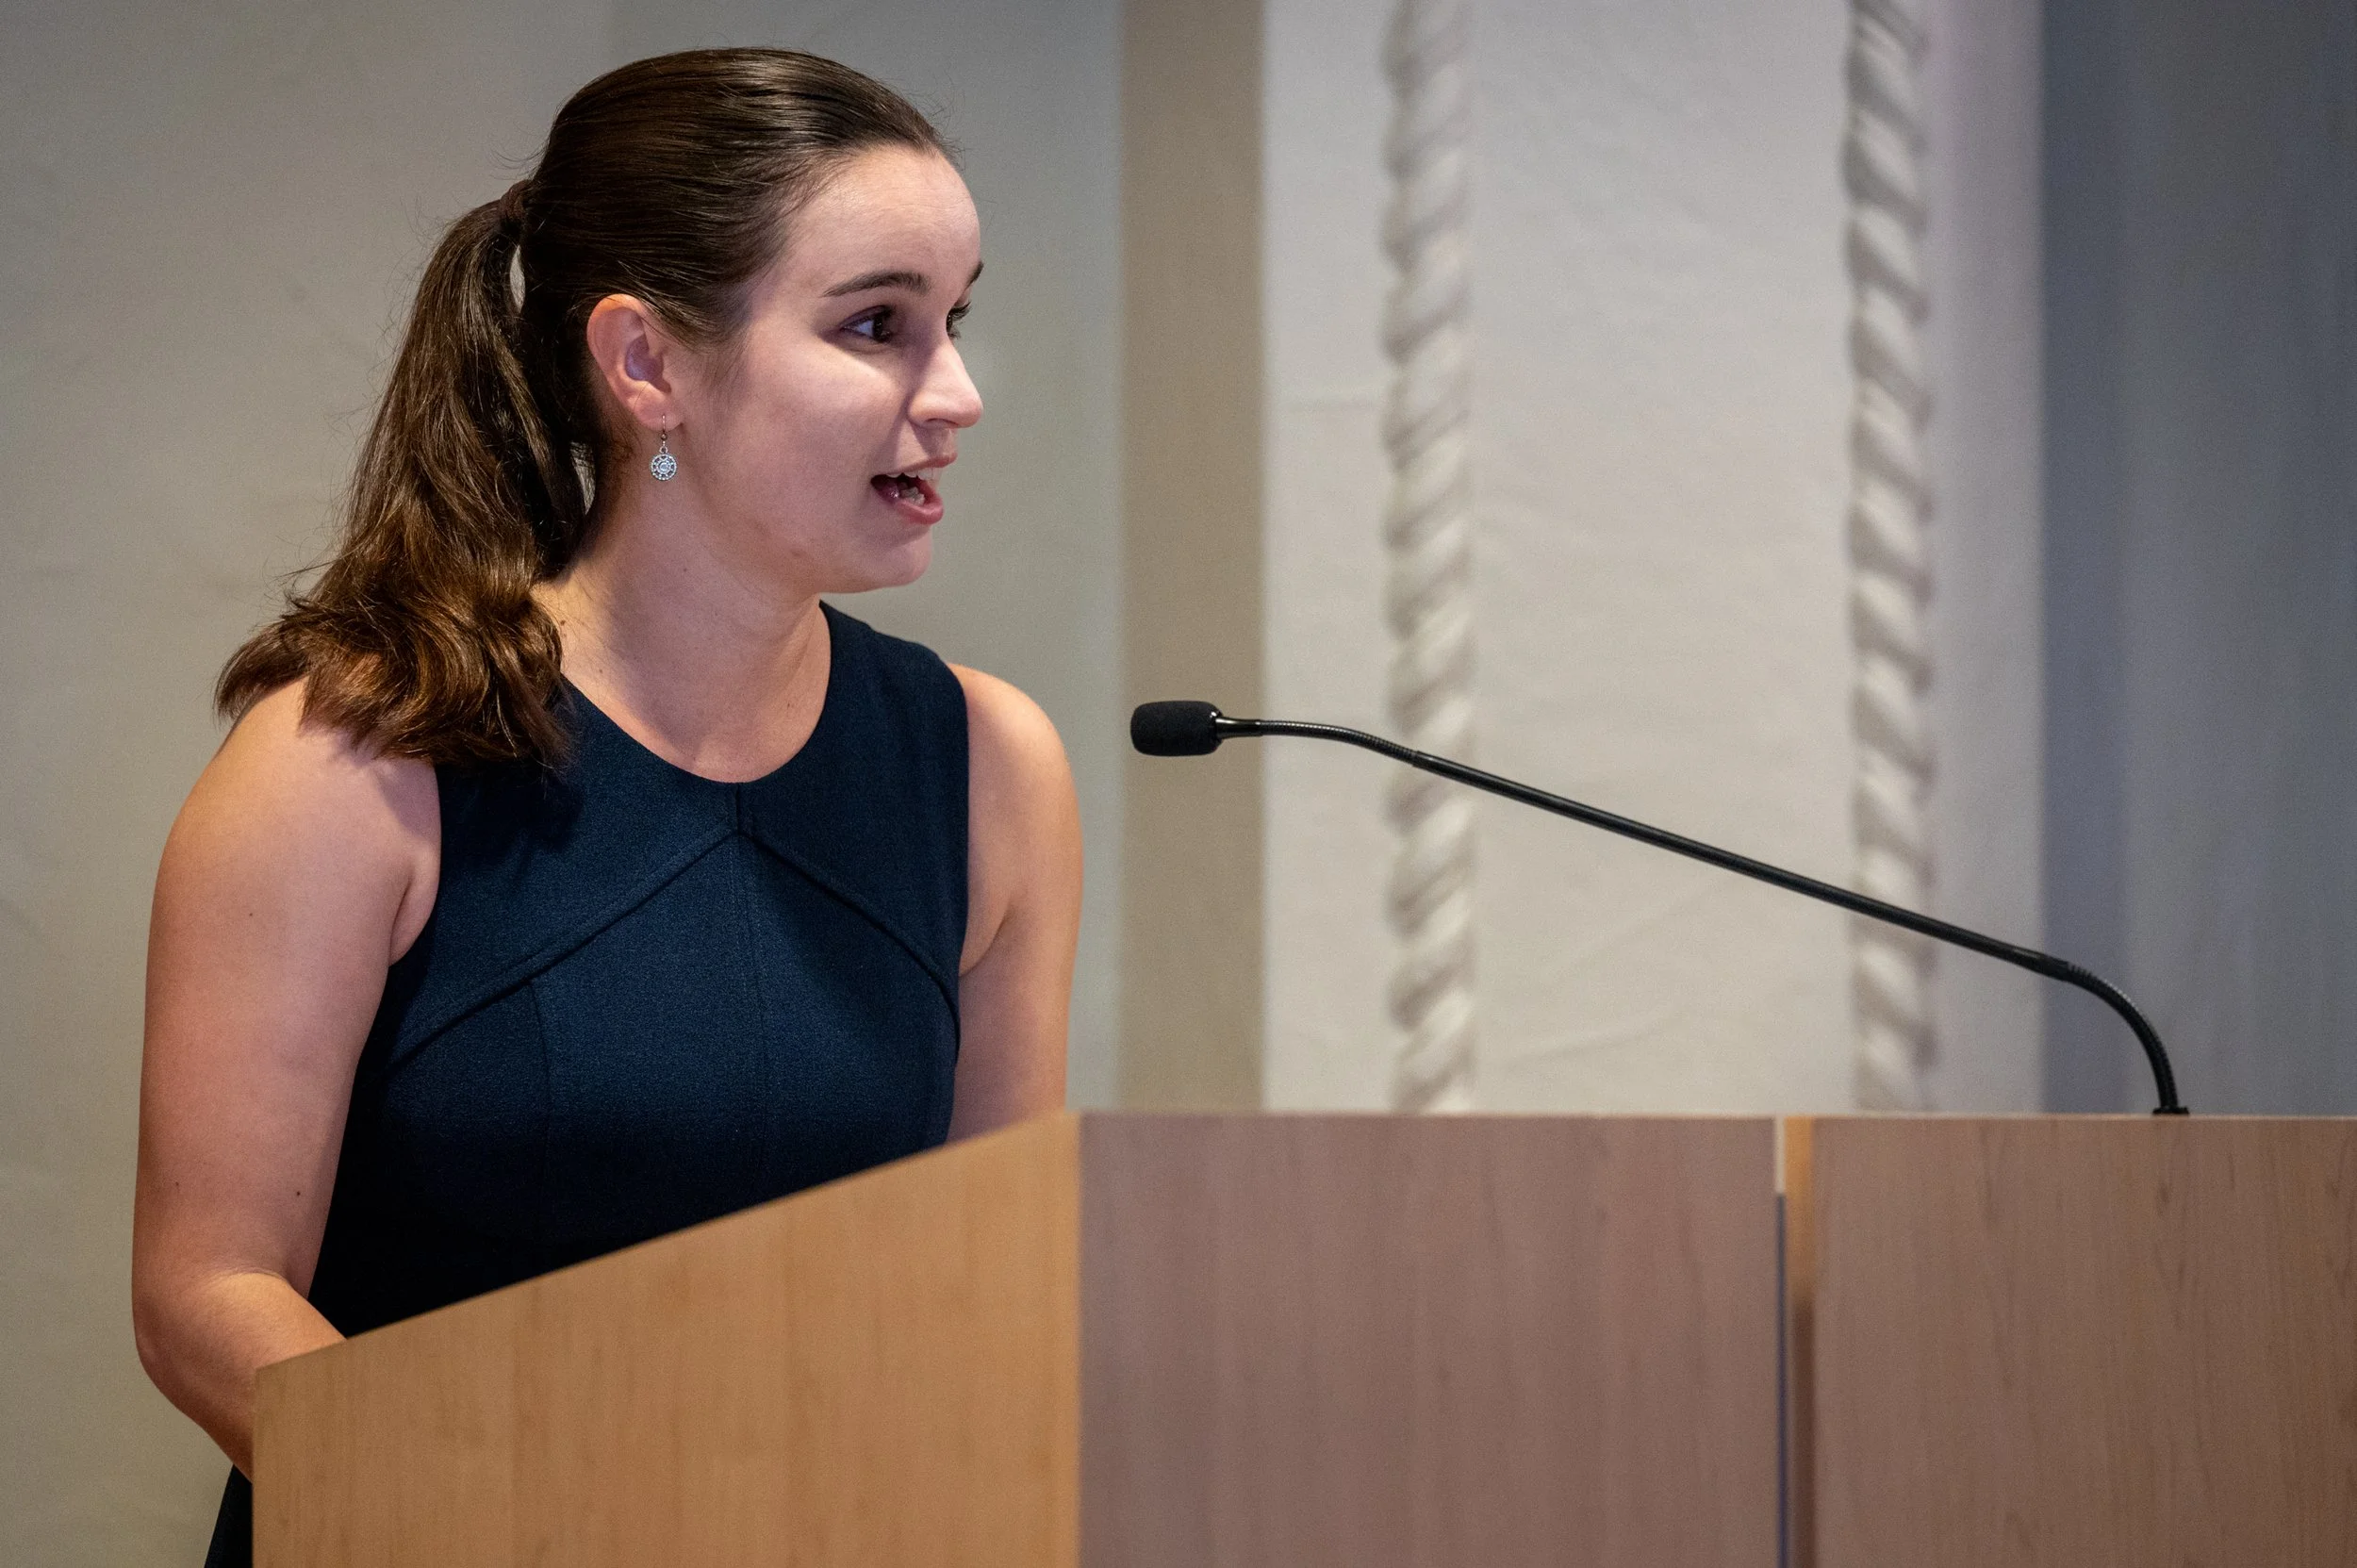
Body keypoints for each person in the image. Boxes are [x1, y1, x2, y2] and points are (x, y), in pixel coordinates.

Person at [129, 49, 1080, 1565]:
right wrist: (544, 1508)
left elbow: (986, 1295)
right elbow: (205, 1298)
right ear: (646, 365)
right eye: (876, 326)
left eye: (954, 320)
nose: (956, 394)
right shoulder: (352, 760)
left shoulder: (990, 764)